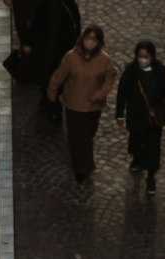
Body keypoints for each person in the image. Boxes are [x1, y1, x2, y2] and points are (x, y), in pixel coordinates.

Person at [47, 21, 114, 179]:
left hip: (93, 106)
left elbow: (110, 77)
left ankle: (84, 164)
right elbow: (59, 76)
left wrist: (101, 93)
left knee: (88, 135)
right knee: (77, 137)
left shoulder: (104, 60)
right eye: (88, 38)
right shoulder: (71, 57)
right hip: (74, 105)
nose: (90, 42)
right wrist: (52, 94)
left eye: (94, 39)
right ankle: (81, 168)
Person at [114, 32, 165, 175]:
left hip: (153, 116)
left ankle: (151, 177)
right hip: (136, 114)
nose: (143, 60)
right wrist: (119, 113)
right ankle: (137, 159)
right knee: (136, 140)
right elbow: (122, 92)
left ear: (152, 56)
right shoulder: (131, 71)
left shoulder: (161, 71)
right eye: (140, 56)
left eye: (146, 56)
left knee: (153, 148)